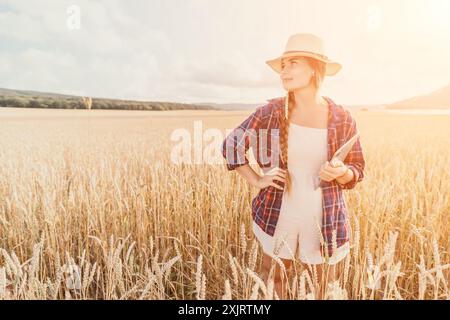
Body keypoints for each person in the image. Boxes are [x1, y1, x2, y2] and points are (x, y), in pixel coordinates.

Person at [222, 33, 366, 299]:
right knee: (274, 281)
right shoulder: (270, 112)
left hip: (325, 218)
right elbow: (231, 145)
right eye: (283, 64)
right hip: (279, 211)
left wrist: (342, 172)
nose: (284, 70)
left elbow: (357, 169)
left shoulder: (343, 118)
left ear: (314, 69)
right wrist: (256, 179)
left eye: (293, 63)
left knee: (322, 288)